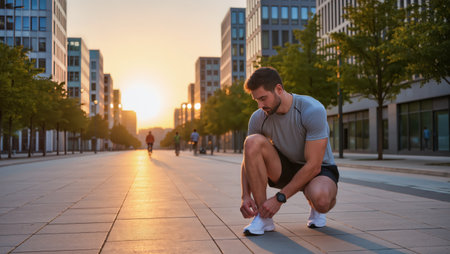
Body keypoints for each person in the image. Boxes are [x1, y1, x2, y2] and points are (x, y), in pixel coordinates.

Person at [240, 67, 339, 236]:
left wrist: (279, 198)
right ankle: (263, 219)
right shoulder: (259, 118)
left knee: (321, 201)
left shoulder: (311, 110)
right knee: (251, 142)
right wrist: (245, 195)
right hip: (285, 166)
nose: (261, 105)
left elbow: (314, 165)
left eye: (263, 98)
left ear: (279, 89)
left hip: (317, 169)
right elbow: (248, 157)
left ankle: (315, 203)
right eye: (257, 100)